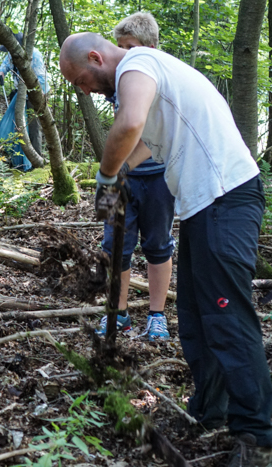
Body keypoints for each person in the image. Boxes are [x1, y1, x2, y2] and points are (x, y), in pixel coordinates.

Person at [59, 31, 272, 465]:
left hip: (226, 196)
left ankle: (260, 435)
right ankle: (212, 412)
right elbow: (142, 143)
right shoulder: (148, 73)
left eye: (80, 80)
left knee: (226, 315)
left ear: (97, 58)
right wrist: (119, 177)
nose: (82, 90)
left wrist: (105, 173)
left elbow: (130, 123)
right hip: (202, 204)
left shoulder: (137, 64)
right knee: (195, 315)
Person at [95, 12, 175, 342]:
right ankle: (118, 313)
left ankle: (157, 316)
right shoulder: (119, 79)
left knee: (158, 246)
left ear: (150, 47)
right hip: (119, 180)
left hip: (158, 178)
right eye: (120, 47)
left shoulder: (159, 76)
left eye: (131, 47)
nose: (125, 54)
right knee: (115, 247)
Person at [0, 31, 50, 157]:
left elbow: (41, 78)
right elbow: (4, 66)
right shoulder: (11, 54)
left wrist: (37, 96)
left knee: (33, 125)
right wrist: (0, 72)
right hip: (19, 92)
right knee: (18, 123)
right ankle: (17, 157)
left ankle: (36, 160)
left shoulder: (33, 55)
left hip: (35, 93)